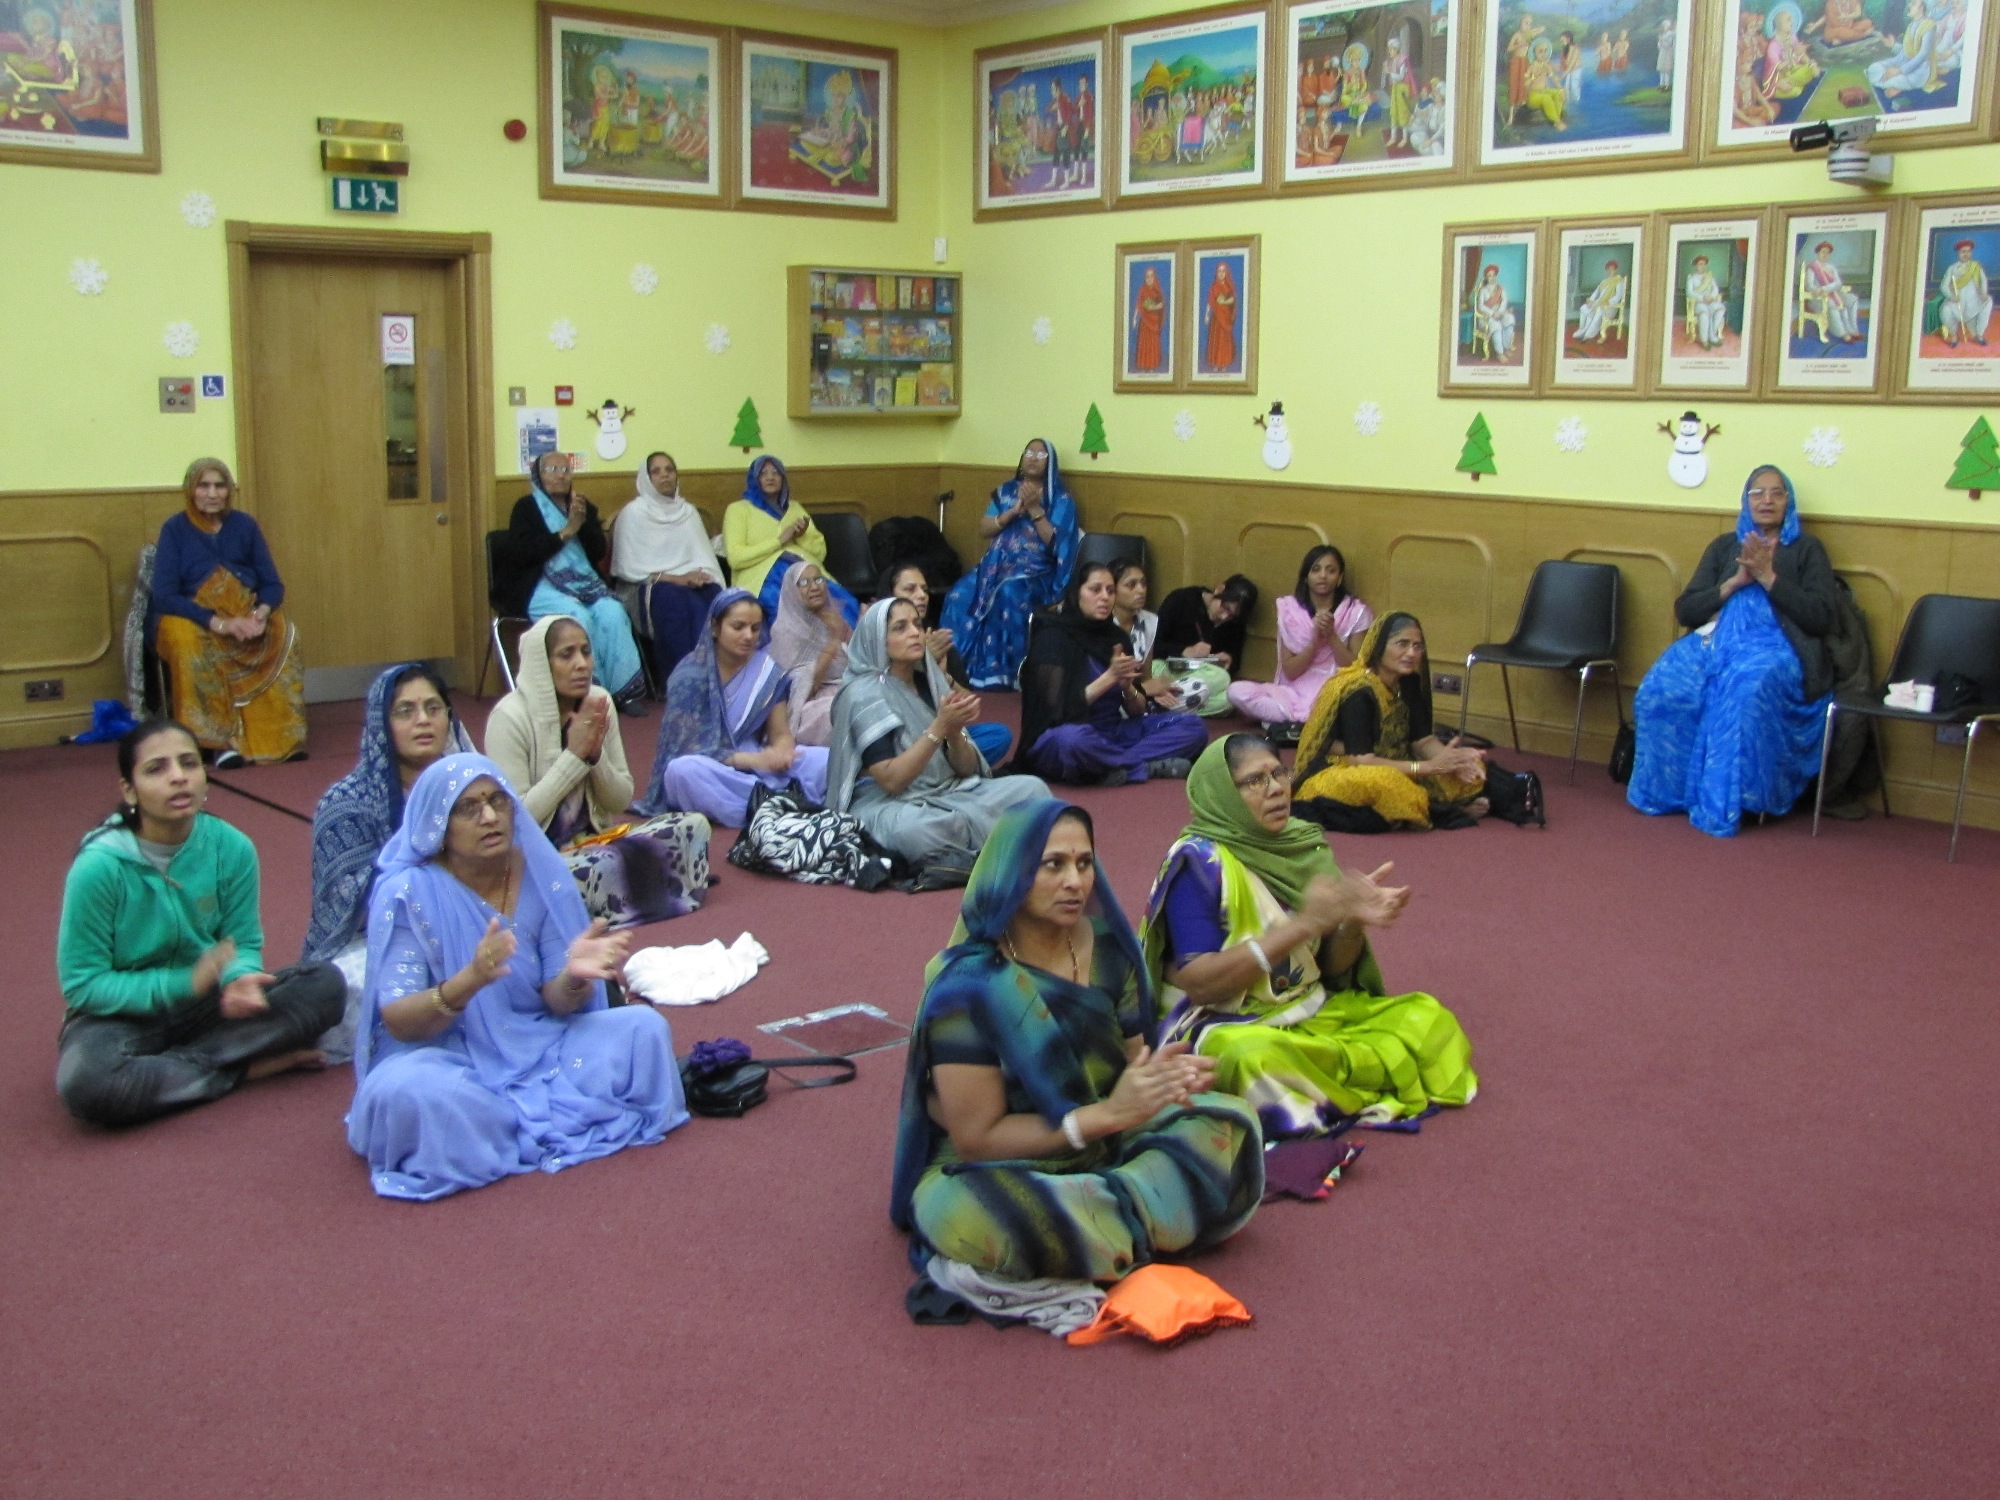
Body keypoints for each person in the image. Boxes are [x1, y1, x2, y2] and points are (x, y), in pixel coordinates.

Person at [889, 799, 1264, 1282]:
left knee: (1231, 1123)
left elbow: (1131, 1069)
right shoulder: (969, 988)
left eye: (1085, 863)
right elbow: (977, 1138)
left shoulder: (1109, 949)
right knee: (960, 1214)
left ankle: (1104, 1228)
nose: (1075, 881)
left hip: (1108, 1139)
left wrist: (1157, 1081)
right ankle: (1135, 1216)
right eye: (1054, 865)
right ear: (1012, 873)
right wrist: (1104, 1116)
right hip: (1009, 1163)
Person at [345, 754, 686, 1201]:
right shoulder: (408, 892)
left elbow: (556, 1002)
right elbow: (399, 1021)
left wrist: (576, 977)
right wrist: (468, 980)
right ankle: (511, 1121)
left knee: (644, 1030)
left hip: (541, 1043)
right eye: (468, 808)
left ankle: (494, 1130)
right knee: (403, 1093)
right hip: (452, 1058)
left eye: (497, 801)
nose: (489, 816)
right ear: (437, 825)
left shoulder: (540, 874)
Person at [1142, 736, 1477, 1138]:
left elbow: (1330, 969)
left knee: (1427, 1018)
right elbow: (1201, 984)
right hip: (1226, 1022)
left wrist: (1351, 921)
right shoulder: (1199, 861)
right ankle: (1338, 1086)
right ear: (1222, 794)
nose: (1277, 789)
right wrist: (1302, 925)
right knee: (1250, 1060)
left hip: (1308, 1010)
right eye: (1255, 781)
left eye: (1278, 773)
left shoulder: (1301, 844)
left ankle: (1324, 1087)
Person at [55, 718, 342, 1128]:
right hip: (121, 1013)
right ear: (128, 790)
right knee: (87, 1083)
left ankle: (176, 1074)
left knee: (325, 985)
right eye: (157, 769)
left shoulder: (232, 847)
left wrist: (240, 977)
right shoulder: (98, 867)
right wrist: (183, 984)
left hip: (208, 1004)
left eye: (189, 764)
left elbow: (241, 941)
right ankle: (242, 1067)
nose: (178, 778)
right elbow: (83, 983)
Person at [1628, 466, 1839, 838]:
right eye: (1758, 493)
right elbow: (1686, 611)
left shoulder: (1806, 549)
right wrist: (1733, 583)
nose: (1767, 500)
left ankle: (1733, 800)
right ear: (1746, 500)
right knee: (1662, 688)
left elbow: (1821, 618)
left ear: (1789, 501)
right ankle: (1669, 792)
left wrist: (1769, 578)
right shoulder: (1725, 546)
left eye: (1777, 493)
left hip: (1776, 648)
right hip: (1715, 641)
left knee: (1742, 691)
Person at [483, 615, 710, 926]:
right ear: (541, 664)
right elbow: (515, 819)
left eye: (586, 652)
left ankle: (612, 897)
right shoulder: (509, 718)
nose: (582, 664)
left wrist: (594, 754)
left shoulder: (599, 701)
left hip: (599, 843)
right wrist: (575, 756)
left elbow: (619, 800)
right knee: (593, 869)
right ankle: (634, 890)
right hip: (540, 857)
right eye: (567, 654)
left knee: (692, 825)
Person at [304, 663, 474, 1062]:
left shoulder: (473, 787)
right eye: (405, 711)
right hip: (378, 938)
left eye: (434, 708)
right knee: (352, 986)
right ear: (381, 722)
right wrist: (417, 851)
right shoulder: (345, 804)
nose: (423, 721)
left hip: (468, 925)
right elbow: (343, 908)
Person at [828, 597, 1050, 872]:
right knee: (916, 832)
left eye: (917, 624)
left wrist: (955, 733)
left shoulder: (929, 681)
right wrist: (939, 728)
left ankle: (974, 847)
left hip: (947, 792)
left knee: (1033, 790)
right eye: (900, 627)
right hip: (890, 803)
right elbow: (892, 781)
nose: (914, 633)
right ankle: (998, 842)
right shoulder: (863, 694)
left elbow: (966, 770)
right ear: (877, 639)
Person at [149, 457, 306, 768]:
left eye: (220, 485)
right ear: (190, 491)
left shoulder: (244, 525)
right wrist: (216, 622)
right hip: (192, 616)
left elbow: (273, 584)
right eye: (203, 486)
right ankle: (218, 744)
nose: (212, 493)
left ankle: (278, 739)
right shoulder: (175, 529)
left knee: (285, 631)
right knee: (187, 642)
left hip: (245, 612)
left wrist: (259, 615)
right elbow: (164, 594)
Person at [642, 589, 830, 826]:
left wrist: (782, 752)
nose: (748, 636)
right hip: (715, 767)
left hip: (760, 767)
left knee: (827, 759)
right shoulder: (688, 676)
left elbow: (781, 734)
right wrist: (756, 761)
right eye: (738, 627)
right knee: (681, 772)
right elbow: (687, 748)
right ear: (714, 627)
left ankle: (771, 803)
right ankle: (774, 804)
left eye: (755, 628)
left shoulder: (767, 671)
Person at [1017, 561, 1207, 787]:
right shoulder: (1052, 638)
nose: (1105, 597)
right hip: (1067, 734)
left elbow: (1136, 711)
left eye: (1110, 590)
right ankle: (1142, 765)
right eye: (1095, 590)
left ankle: (1112, 765)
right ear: (1077, 593)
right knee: (1070, 741)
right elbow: (1055, 713)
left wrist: (1128, 688)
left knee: (1193, 727)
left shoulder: (1116, 638)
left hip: (1112, 732)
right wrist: (1109, 677)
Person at [1293, 613, 1489, 829]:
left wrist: (1453, 760)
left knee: (1473, 769)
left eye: (1417, 646)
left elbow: (1422, 742)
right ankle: (1441, 810)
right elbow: (1362, 762)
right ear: (1379, 647)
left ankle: (1432, 807)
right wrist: (1428, 767)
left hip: (1394, 761)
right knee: (1392, 786)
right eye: (1402, 644)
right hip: (1345, 769)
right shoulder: (1358, 690)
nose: (1411, 653)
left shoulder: (1409, 682)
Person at [493, 451, 647, 714]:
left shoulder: (581, 505)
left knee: (612, 612)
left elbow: (597, 552)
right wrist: (566, 531)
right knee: (576, 618)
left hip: (585, 584)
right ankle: (586, 693)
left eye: (565, 470)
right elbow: (523, 554)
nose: (560, 475)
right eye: (552, 470)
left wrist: (583, 524)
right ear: (538, 476)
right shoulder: (526, 508)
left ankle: (624, 693)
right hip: (538, 583)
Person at [939, 438, 1081, 690]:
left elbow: (1058, 545)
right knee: (958, 594)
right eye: (1029, 452)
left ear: (1051, 463)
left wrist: (1035, 509)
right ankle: (952, 668)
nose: (1033, 457)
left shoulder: (1060, 498)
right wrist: (1012, 512)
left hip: (1037, 573)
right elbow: (985, 528)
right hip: (994, 568)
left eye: (1041, 454)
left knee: (1008, 592)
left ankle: (1001, 674)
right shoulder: (1005, 491)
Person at [882, 562, 1014, 766]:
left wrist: (941, 675)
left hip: (941, 734)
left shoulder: (938, 641)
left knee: (999, 735)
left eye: (925, 590)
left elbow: (971, 707)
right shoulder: (877, 640)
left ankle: (939, 768)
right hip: (898, 737)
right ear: (888, 595)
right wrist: (920, 662)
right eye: (910, 589)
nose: (922, 595)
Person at [1226, 545, 1373, 727]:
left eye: (1331, 570)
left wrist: (1332, 636)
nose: (1323, 576)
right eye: (1316, 570)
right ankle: (1307, 724)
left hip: (1335, 691)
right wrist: (1314, 642)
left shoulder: (1355, 611)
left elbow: (1355, 669)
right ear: (1305, 576)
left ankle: (1294, 724)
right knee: (1236, 691)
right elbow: (1291, 671)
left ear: (1340, 577)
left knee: (1353, 707)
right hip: (1293, 693)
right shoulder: (1290, 611)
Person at [610, 450, 724, 686]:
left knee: (713, 595)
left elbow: (703, 557)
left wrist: (702, 576)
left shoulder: (688, 512)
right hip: (646, 585)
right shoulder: (634, 513)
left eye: (669, 470)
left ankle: (716, 674)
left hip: (688, 582)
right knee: (674, 601)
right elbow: (628, 568)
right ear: (646, 478)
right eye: (656, 471)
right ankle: (682, 680)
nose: (664, 476)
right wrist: (676, 578)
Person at [722, 455, 859, 623]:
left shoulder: (795, 508)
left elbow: (820, 553)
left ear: (783, 479)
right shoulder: (738, 510)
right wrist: (779, 541)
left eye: (775, 473)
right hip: (763, 579)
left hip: (804, 572)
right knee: (780, 606)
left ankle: (842, 648)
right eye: (763, 473)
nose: (770, 477)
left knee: (846, 604)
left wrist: (801, 538)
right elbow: (735, 559)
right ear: (754, 479)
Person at [769, 561, 851, 747]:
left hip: (846, 688)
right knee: (839, 709)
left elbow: (856, 660)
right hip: (809, 706)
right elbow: (802, 685)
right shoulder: (785, 630)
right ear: (792, 590)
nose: (814, 587)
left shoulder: (834, 618)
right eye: (804, 583)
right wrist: (833, 641)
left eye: (818, 579)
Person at [1867, 0, 1939, 96]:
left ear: (1921, 8)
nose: (1909, 5)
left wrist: (1899, 70)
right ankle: (1896, 84)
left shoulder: (1928, 26)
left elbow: (1923, 54)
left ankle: (1898, 85)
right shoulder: (1911, 25)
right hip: (1903, 61)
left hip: (1919, 69)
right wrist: (1893, 45)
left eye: (1913, 4)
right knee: (1873, 68)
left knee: (1893, 79)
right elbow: (1907, 51)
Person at [1800, 240, 1863, 344]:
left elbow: (1838, 283)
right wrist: (1820, 291)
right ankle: (1843, 334)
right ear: (1818, 253)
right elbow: (1809, 286)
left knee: (1852, 299)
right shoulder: (1812, 268)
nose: (1825, 254)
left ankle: (1852, 330)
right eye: (1823, 252)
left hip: (1832, 293)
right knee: (1831, 303)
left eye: (1827, 253)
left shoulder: (1831, 268)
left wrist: (1825, 289)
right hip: (1817, 298)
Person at [1937, 239, 1992, 347]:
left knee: (1988, 301)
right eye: (1963, 251)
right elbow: (1943, 285)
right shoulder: (1952, 268)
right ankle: (1954, 336)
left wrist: (1983, 293)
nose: (1966, 254)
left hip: (1974, 298)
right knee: (1945, 311)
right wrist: (1950, 296)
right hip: (1957, 299)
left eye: (1968, 251)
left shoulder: (1976, 266)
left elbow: (1983, 281)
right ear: (1959, 253)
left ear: (1971, 253)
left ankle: (1979, 335)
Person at [1574, 260, 1626, 343]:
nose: (1610, 271)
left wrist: (1608, 302)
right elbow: (1596, 292)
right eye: (1608, 269)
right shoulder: (1604, 282)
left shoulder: (1619, 281)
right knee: (1584, 308)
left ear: (1615, 270)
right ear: (1606, 270)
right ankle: (1582, 329)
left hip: (1610, 306)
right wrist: (1591, 300)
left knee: (1599, 310)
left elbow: (1618, 296)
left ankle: (1588, 335)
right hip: (1599, 303)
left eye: (1612, 269)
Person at [1475, 263, 1517, 358]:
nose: (1492, 277)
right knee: (1496, 325)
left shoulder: (1500, 288)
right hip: (1486, 316)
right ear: (1486, 277)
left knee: (1509, 319)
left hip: (1500, 313)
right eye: (1489, 276)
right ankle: (1500, 353)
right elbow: (1480, 307)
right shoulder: (1483, 290)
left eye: (1493, 275)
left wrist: (1500, 312)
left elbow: (1504, 301)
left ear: (1496, 276)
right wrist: (1493, 313)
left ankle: (1506, 347)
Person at [1687, 255, 1729, 348]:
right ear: (1696, 266)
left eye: (1704, 264)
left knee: (1720, 308)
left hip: (1710, 301)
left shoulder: (1709, 277)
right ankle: (1704, 340)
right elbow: (1689, 292)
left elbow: (1715, 289)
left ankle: (1712, 336)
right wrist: (1702, 298)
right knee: (1704, 313)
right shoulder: (1691, 278)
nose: (1702, 266)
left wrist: (1711, 296)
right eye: (1700, 264)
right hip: (1699, 303)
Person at [1203, 261, 1239, 372]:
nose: (1221, 273)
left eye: (1223, 271)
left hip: (1226, 318)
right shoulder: (1214, 287)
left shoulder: (1229, 287)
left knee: (1224, 341)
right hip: (1216, 318)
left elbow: (1233, 300)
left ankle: (1224, 363)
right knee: (1216, 341)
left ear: (1226, 272)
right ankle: (1216, 363)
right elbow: (1210, 302)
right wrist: (1207, 315)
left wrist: (1224, 302)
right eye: (1219, 271)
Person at [1131, 265, 1168, 373]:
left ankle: (1152, 365)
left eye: (1151, 276)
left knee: (1153, 344)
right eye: (1147, 276)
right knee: (1144, 344)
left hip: (1154, 321)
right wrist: (1134, 318)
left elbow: (1162, 305)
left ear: (1154, 277)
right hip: (1145, 321)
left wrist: (1154, 307)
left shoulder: (1158, 291)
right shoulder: (1142, 290)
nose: (1149, 278)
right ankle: (1143, 365)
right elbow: (1138, 305)